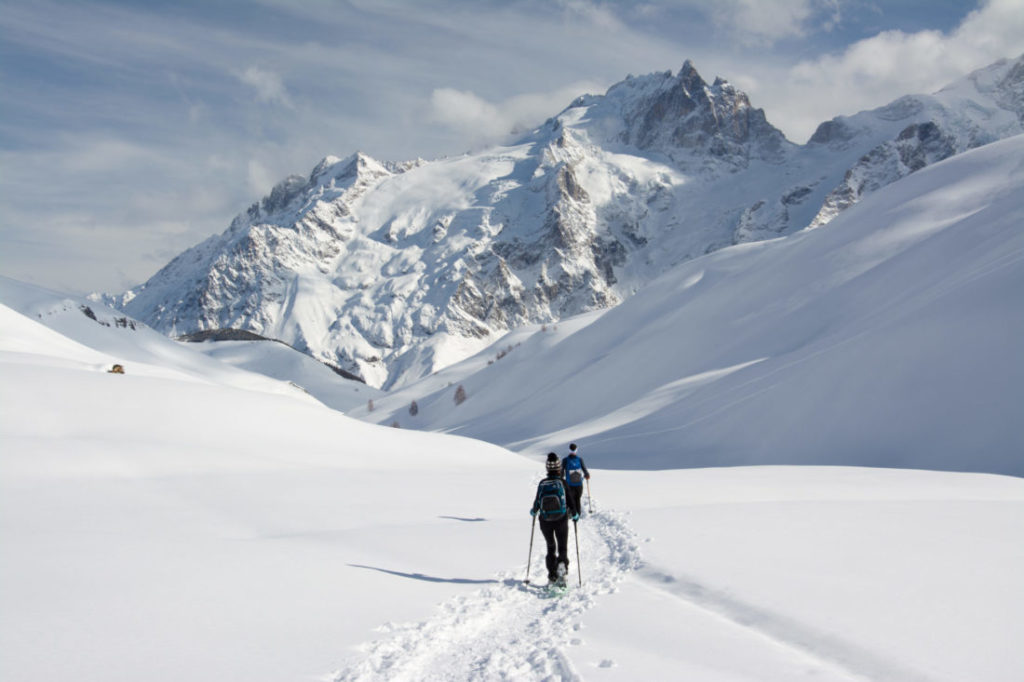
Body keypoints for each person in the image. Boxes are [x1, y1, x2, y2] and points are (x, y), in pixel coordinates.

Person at [530, 453, 579, 584]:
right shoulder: (562, 482)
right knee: (562, 546)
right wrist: (574, 514)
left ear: (547, 468)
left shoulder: (543, 483)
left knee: (551, 547)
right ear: (559, 468)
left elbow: (536, 503)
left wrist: (533, 511)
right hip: (561, 519)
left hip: (545, 521)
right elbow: (570, 501)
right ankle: (562, 567)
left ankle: (552, 574)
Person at [561, 443, 590, 515]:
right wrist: (587, 474)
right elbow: (584, 469)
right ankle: (577, 514)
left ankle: (571, 514)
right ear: (576, 450)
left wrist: (561, 478)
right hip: (578, 484)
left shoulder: (565, 460)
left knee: (570, 499)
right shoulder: (580, 459)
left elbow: (561, 471)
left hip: (570, 484)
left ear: (569, 450)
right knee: (577, 499)